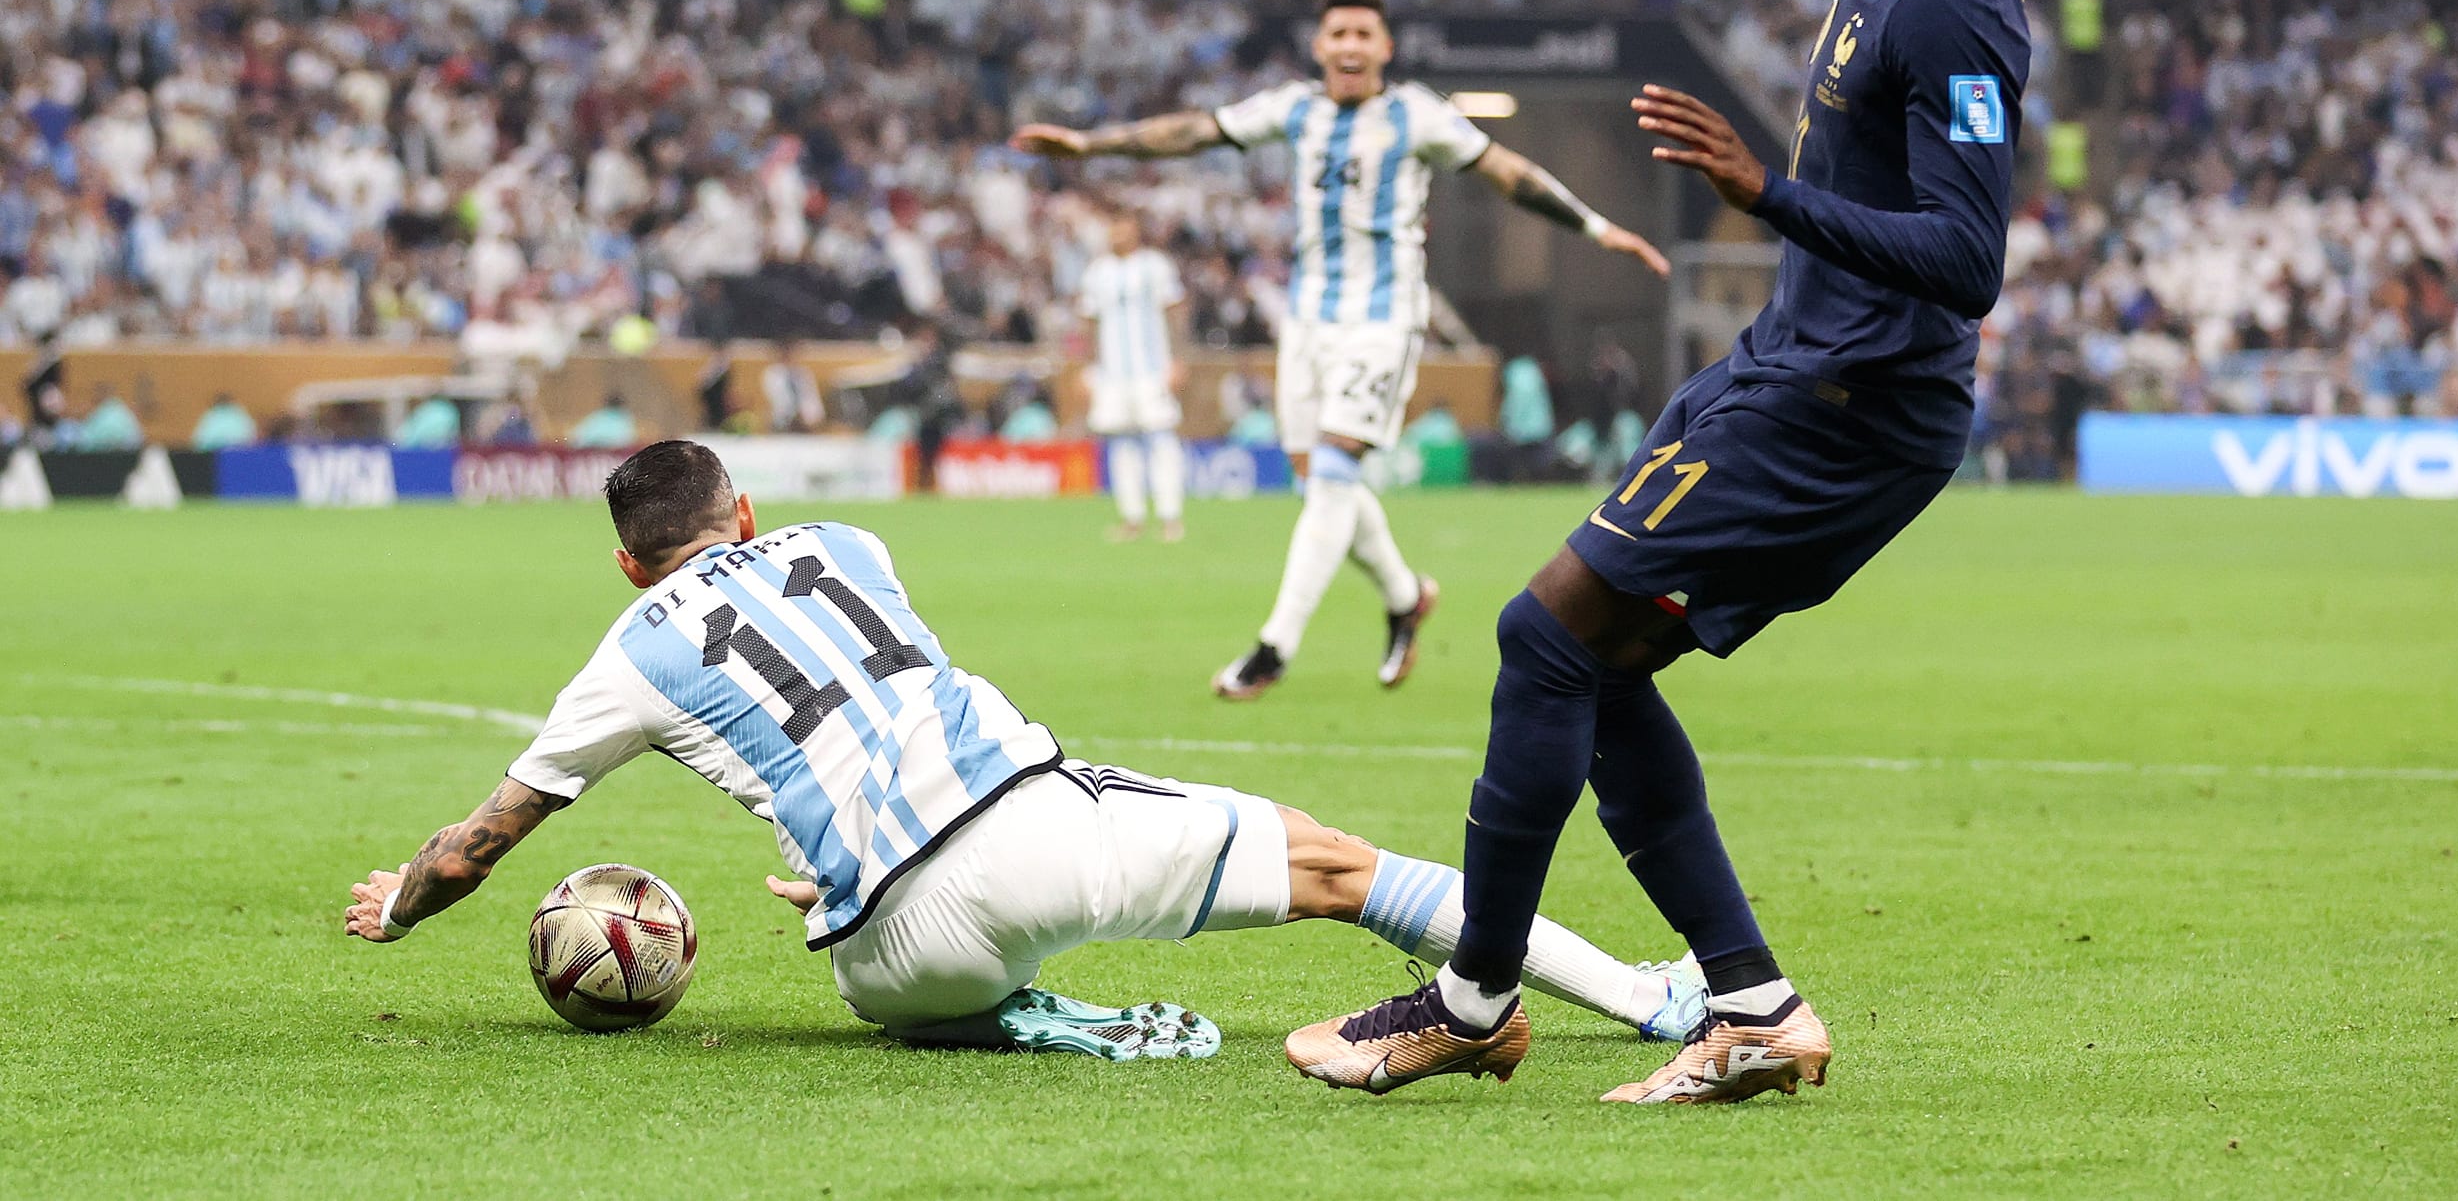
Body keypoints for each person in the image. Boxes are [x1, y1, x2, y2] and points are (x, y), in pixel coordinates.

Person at [1289, 0, 2027, 1105]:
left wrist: (1769, 194)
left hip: (1845, 404)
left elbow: (1970, 256)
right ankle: (1750, 1006)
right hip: (1783, 367)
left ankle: (1471, 999)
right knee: (1593, 660)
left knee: (1541, 633)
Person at [340, 440, 1708, 1060]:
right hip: (1030, 833)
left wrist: (398, 904)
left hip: (885, 968)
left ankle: (1014, 1018)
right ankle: (1651, 1003)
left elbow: (485, 839)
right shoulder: (847, 545)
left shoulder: (629, 646)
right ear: (746, 511)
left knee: (888, 926)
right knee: (1345, 871)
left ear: (627, 564)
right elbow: (879, 702)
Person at [1013, 0, 1669, 699]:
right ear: (1321, 47)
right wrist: (1089, 144)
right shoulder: (1294, 109)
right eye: (1339, 34)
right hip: (1307, 321)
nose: (1351, 45)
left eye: (1364, 33)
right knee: (1320, 482)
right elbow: (1195, 131)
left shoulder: (1416, 115)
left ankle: (1273, 647)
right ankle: (1405, 594)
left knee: (1330, 475)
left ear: (1384, 48)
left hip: (1383, 317)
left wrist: (1597, 228)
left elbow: (1507, 173)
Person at [1078, 209, 1189, 542]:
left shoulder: (1156, 266)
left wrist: (1179, 360)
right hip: (1111, 374)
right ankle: (1132, 518)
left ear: (1136, 231)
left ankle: (1170, 517)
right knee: (1121, 444)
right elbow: (1089, 323)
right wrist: (1087, 369)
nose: (1118, 235)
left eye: (1124, 229)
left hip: (1152, 369)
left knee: (1161, 439)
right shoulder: (1097, 272)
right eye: (1114, 229)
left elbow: (1175, 312)